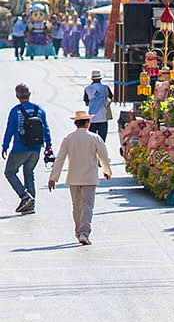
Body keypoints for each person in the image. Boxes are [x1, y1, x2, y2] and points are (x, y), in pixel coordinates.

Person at [48, 111, 112, 245]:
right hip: (89, 177)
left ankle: (78, 232)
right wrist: (107, 171)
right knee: (88, 205)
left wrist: (53, 177)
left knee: (76, 206)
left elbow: (60, 158)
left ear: (75, 123)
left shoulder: (69, 138)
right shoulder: (94, 138)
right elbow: (103, 156)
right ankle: (84, 232)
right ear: (87, 123)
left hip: (73, 178)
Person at [3, 83, 50, 214]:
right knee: (29, 173)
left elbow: (10, 130)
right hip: (36, 149)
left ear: (17, 96)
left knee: (10, 172)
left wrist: (5, 146)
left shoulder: (15, 111)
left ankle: (25, 196)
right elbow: (45, 129)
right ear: (30, 94)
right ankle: (31, 204)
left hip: (20, 148)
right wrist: (49, 146)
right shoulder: (39, 110)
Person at [83, 70, 113, 141]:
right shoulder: (105, 88)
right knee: (102, 141)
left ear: (92, 79)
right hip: (103, 117)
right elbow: (111, 98)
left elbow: (86, 103)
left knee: (91, 140)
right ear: (100, 79)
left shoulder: (87, 89)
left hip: (92, 118)